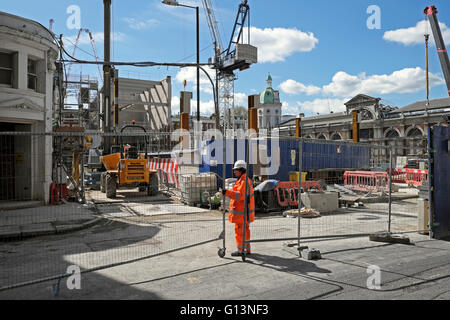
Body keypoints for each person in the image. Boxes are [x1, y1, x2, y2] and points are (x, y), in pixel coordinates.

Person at [222, 160, 255, 257]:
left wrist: (227, 192)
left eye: (236, 170)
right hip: (244, 213)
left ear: (241, 170)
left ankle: (241, 251)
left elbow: (239, 196)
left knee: (240, 232)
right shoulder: (243, 180)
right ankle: (247, 249)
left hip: (242, 214)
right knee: (245, 231)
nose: (234, 172)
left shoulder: (244, 182)